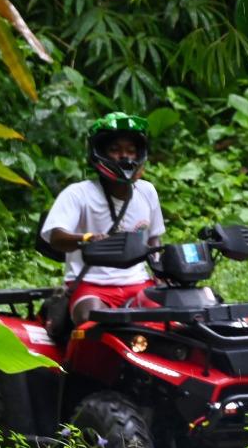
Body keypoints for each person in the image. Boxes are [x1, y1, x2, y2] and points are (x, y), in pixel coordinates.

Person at [39, 112, 166, 323]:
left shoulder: (147, 192)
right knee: (93, 320)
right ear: (100, 152)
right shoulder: (78, 193)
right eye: (115, 150)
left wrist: (161, 273)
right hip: (90, 285)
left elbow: (154, 238)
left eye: (131, 151)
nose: (124, 157)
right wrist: (87, 239)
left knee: (172, 318)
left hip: (138, 283)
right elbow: (56, 237)